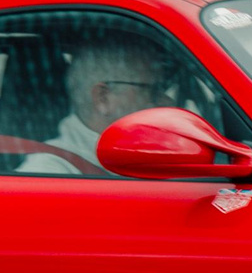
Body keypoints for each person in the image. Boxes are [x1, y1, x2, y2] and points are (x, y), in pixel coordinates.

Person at [19, 40, 168, 175]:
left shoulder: (134, 156)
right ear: (103, 98)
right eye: (154, 91)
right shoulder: (50, 172)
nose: (168, 101)